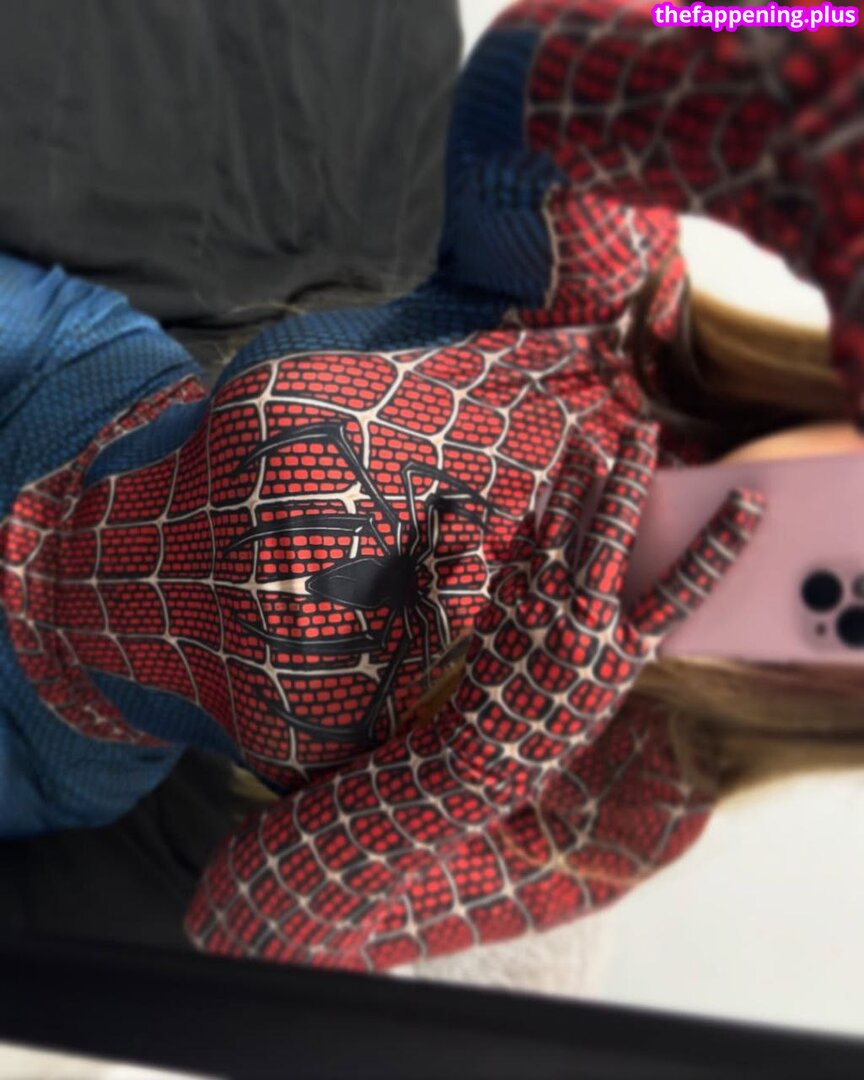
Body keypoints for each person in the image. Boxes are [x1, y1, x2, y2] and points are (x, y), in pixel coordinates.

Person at [1, 0, 862, 972]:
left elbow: (244, 934)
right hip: (46, 380)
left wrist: (478, 757)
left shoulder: (639, 792)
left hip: (37, 731)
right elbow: (535, 57)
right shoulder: (609, 326)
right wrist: (818, 85)